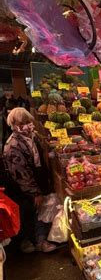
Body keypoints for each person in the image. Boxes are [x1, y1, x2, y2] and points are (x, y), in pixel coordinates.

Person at [3, 108, 56, 253]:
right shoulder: (12, 146)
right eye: (23, 122)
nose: (28, 125)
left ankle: (40, 240)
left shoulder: (32, 136)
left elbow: (40, 154)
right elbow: (21, 174)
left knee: (39, 212)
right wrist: (34, 192)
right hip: (22, 189)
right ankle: (28, 242)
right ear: (14, 124)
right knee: (27, 214)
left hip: (37, 181)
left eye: (29, 121)